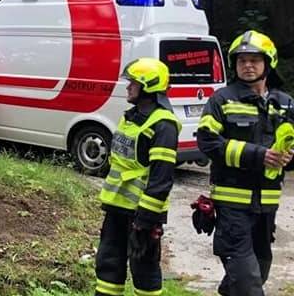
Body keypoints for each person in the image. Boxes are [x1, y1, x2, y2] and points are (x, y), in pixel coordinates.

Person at [197, 30, 294, 296]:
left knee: (257, 273)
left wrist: (289, 156)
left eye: (254, 60)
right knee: (249, 285)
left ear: (267, 63)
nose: (247, 65)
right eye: (242, 61)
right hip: (232, 209)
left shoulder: (285, 105)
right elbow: (207, 142)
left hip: (266, 208)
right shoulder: (222, 100)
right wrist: (259, 155)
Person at [94, 58, 180, 296]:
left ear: (148, 87)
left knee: (144, 269)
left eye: (133, 83)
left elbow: (161, 179)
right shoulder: (130, 116)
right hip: (117, 207)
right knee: (108, 264)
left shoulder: (163, 125)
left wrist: (145, 220)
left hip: (143, 213)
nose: (128, 87)